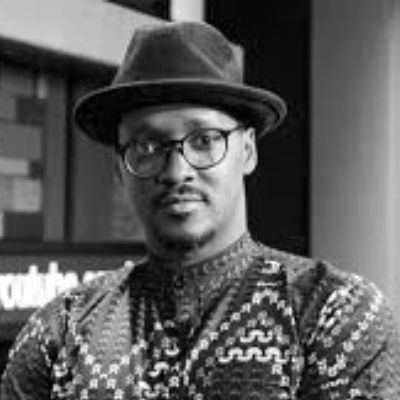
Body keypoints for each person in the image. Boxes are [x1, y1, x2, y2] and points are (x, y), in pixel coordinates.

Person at [1, 21, 399, 400]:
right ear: (120, 168)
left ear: (247, 151)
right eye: (147, 146)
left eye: (205, 140)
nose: (177, 172)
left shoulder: (334, 313)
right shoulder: (61, 330)